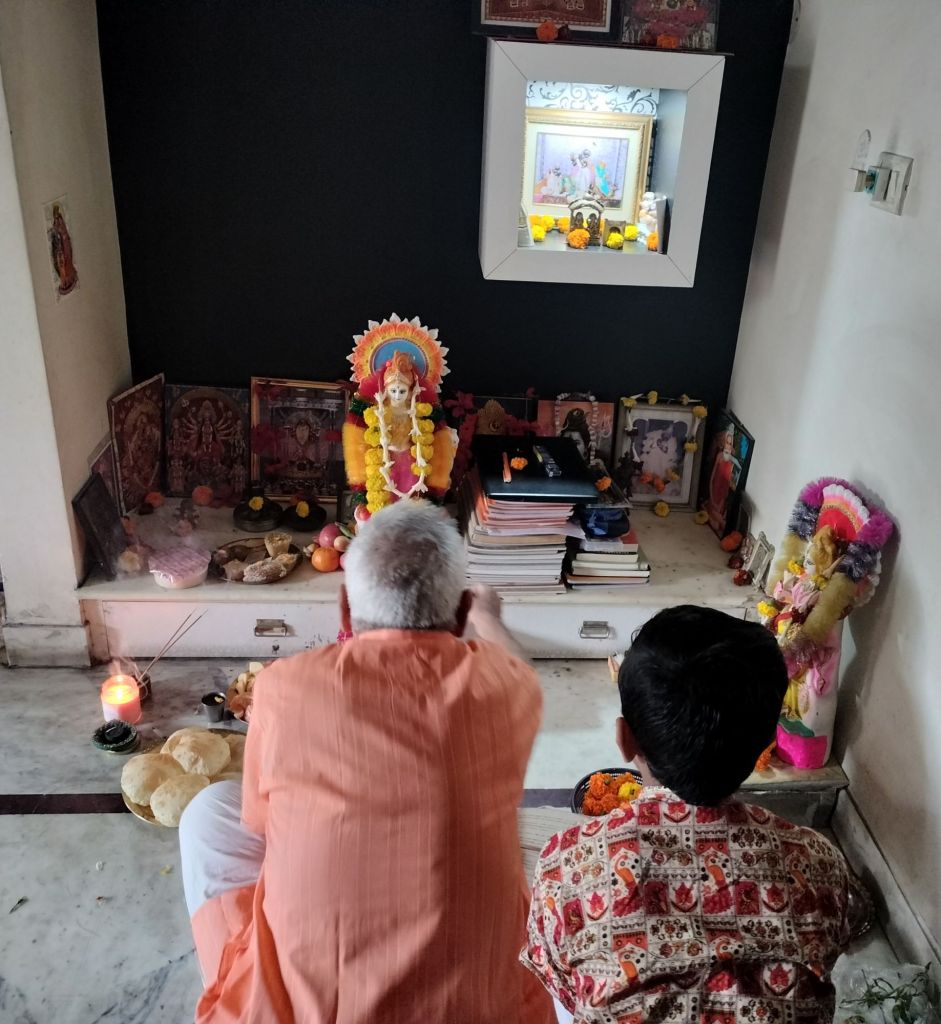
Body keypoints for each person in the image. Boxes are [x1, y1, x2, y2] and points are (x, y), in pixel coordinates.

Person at [179, 500, 555, 1024]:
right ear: (462, 614)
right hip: (479, 1009)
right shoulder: (507, 689)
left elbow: (261, 826)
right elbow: (520, 667)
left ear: (345, 611)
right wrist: (488, 616)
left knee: (209, 811)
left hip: (301, 1010)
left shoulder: (283, 687)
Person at [522, 606, 851, 1024]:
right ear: (766, 743)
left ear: (624, 739)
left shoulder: (566, 866)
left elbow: (566, 992)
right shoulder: (819, 864)